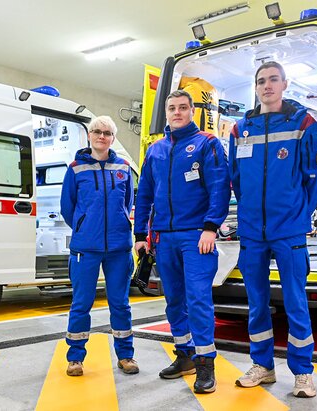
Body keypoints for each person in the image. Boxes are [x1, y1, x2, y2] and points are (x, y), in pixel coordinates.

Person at [229, 61, 317, 398]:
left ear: (285, 84)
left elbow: (316, 178)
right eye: (261, 81)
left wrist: (300, 215)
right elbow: (236, 178)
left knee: (296, 301)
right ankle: (263, 366)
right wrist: (248, 212)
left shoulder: (303, 123)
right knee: (257, 302)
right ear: (255, 87)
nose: (267, 86)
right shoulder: (240, 129)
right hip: (252, 231)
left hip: (289, 230)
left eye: (273, 79)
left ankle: (303, 372)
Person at [134, 89, 230, 393]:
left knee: (198, 299)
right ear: (166, 112)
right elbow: (144, 194)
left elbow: (219, 187)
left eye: (183, 107)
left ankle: (206, 364)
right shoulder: (156, 150)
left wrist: (210, 228)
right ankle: (185, 355)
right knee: (174, 300)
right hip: (164, 238)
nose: (177, 112)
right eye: (172, 108)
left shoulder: (207, 143)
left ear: (191, 111)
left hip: (196, 236)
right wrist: (140, 235)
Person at [60, 115, 137, 377]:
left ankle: (126, 356)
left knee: (120, 304)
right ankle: (75, 358)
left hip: (118, 248)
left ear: (113, 138)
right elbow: (68, 208)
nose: (102, 136)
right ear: (89, 135)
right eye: (97, 131)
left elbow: (127, 203)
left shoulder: (123, 168)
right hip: (86, 248)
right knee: (81, 303)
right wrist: (84, 226)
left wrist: (118, 225)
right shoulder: (75, 169)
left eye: (107, 133)